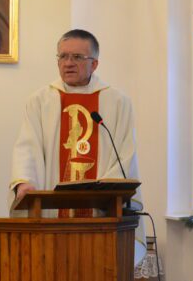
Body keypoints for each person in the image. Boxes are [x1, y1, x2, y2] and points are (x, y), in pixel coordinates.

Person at [10, 29, 143, 231]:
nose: (68, 63)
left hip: (101, 214)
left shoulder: (118, 102)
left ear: (94, 64)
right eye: (63, 56)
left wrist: (105, 192)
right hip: (51, 213)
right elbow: (28, 146)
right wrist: (25, 182)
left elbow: (125, 152)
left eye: (77, 57)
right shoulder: (40, 101)